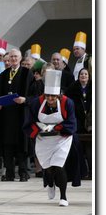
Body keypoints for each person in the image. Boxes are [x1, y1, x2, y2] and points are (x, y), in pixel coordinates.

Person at [23, 69, 81, 207]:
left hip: (62, 139)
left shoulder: (68, 103)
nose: (50, 99)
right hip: (43, 140)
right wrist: (39, 129)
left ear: (59, 95)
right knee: (48, 168)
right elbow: (28, 122)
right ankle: (50, 183)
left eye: (53, 97)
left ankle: (63, 196)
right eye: (48, 96)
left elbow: (72, 123)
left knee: (59, 166)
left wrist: (56, 128)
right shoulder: (37, 103)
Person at [0, 48, 34, 182]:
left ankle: (23, 173)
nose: (13, 59)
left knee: (21, 146)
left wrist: (25, 100)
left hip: (21, 115)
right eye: (11, 57)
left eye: (16, 57)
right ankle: (9, 173)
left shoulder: (27, 74)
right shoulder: (3, 75)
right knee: (7, 145)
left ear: (20, 58)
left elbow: (35, 96)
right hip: (6, 118)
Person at [66, 67, 92, 178]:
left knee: (90, 147)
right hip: (78, 121)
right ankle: (81, 172)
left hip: (91, 121)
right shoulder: (73, 87)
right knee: (79, 147)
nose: (84, 76)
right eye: (82, 74)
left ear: (89, 76)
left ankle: (92, 171)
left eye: (86, 74)